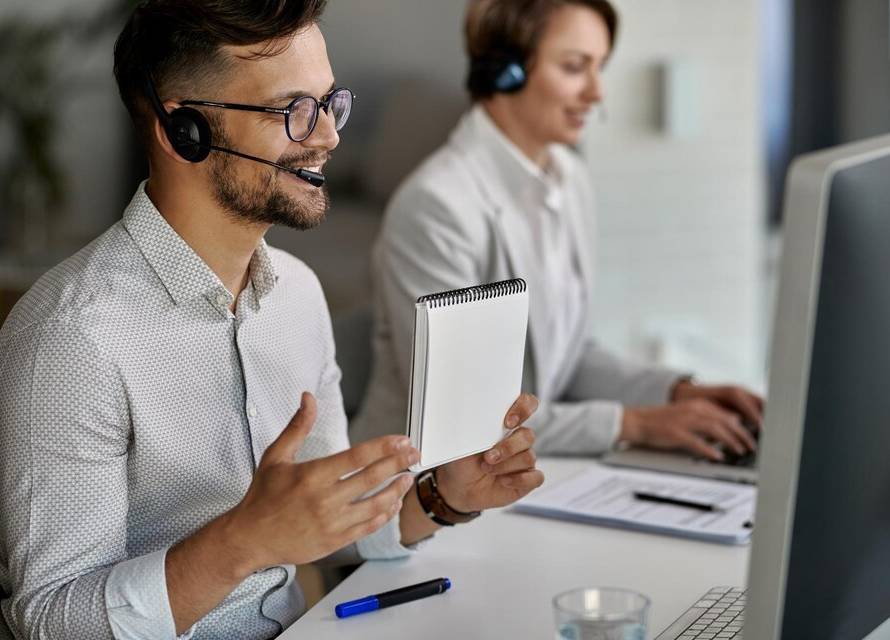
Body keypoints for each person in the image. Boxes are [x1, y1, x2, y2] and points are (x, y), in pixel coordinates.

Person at [0, 1, 545, 638]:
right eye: (294, 112)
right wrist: (243, 542)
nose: (329, 137)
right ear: (184, 131)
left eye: (328, 103)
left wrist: (444, 497)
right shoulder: (70, 338)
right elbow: (49, 621)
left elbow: (329, 524)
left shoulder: (298, 296)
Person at [352, 0, 763, 461]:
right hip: (414, 492)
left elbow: (569, 359)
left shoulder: (569, 179)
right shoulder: (437, 206)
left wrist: (675, 393)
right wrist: (636, 424)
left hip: (524, 474)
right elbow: (465, 414)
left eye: (599, 68)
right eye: (574, 67)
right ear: (503, 72)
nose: (597, 92)